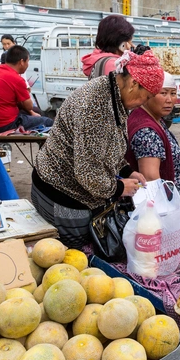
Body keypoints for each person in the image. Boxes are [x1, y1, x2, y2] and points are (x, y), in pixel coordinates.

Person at [31, 48, 162, 246]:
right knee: (76, 255)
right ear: (134, 83)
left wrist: (127, 171)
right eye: (147, 96)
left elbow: (109, 145)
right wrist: (119, 188)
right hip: (62, 195)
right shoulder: (95, 106)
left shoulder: (114, 94)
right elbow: (87, 173)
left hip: (75, 191)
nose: (145, 103)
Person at [125, 72, 180, 220]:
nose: (169, 100)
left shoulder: (153, 118)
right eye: (163, 93)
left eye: (173, 93)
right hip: (170, 206)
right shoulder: (147, 131)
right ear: (147, 95)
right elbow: (151, 178)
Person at [0, 45, 53, 134]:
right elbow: (29, 106)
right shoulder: (17, 79)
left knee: (35, 112)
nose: (28, 64)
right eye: (28, 61)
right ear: (22, 62)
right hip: (4, 125)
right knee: (49, 122)